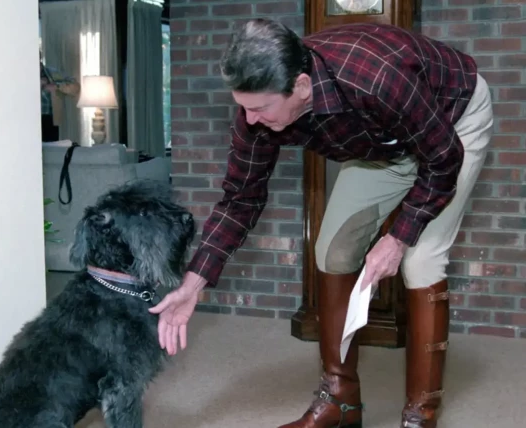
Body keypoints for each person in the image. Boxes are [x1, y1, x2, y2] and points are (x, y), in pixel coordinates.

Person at [149, 18, 493, 428]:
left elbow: (443, 161)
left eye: (259, 108)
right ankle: (341, 400)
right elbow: (240, 199)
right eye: (243, 107)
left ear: (301, 86)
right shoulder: (256, 116)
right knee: (332, 249)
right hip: (382, 145)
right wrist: (193, 284)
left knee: (420, 261)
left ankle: (421, 415)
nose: (250, 120)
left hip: (452, 124)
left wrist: (398, 239)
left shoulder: (375, 77)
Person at [40, 52, 81, 142]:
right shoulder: (22, 75)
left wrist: (56, 86)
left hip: (50, 121)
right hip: (27, 120)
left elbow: (75, 87)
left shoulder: (53, 73)